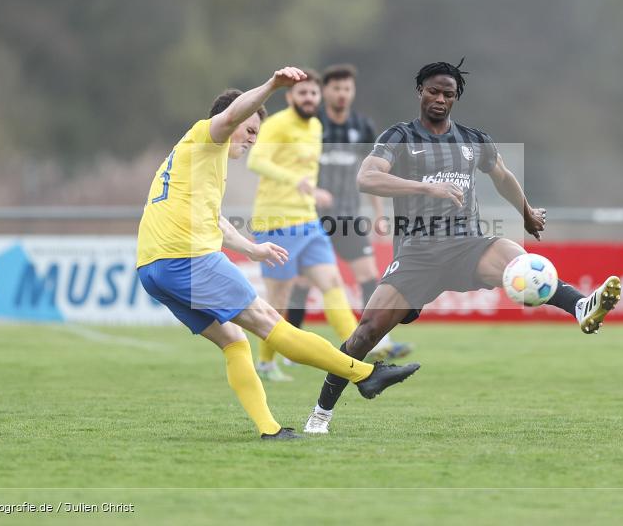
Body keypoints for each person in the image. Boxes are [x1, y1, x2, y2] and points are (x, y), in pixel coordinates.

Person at [303, 60, 621, 434]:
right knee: (366, 334)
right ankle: (320, 414)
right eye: (433, 91)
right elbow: (367, 177)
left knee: (519, 261)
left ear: (456, 98)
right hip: (417, 254)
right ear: (420, 91)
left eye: (448, 94)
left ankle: (581, 305)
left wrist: (527, 211)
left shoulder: (474, 140)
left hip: (465, 244)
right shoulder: (399, 137)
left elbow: (502, 176)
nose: (440, 99)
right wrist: (425, 187)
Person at [135, 67, 420, 440]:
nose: (253, 139)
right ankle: (365, 374)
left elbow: (214, 218)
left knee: (234, 340)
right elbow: (234, 114)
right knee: (272, 324)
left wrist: (251, 248)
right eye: (250, 130)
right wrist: (272, 86)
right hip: (187, 259)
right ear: (230, 120)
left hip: (152, 268)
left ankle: (270, 430)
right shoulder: (208, 136)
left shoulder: (194, 158)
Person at [284, 63, 413, 362]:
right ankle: (291, 348)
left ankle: (380, 339)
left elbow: (374, 171)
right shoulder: (312, 124)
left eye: (347, 88)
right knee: (302, 281)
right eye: (336, 88)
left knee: (368, 274)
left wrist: (379, 212)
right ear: (324, 92)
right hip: (312, 217)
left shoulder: (363, 126)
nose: (342, 94)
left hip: (350, 217)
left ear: (352, 92)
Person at [246, 69, 363, 382]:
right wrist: (295, 181)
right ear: (290, 97)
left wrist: (314, 191)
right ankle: (266, 363)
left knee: (333, 283)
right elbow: (255, 160)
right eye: (302, 93)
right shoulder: (278, 124)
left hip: (308, 221)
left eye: (313, 93)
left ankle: (356, 354)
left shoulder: (315, 125)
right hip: (276, 222)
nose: (309, 98)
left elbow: (308, 172)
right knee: (279, 299)